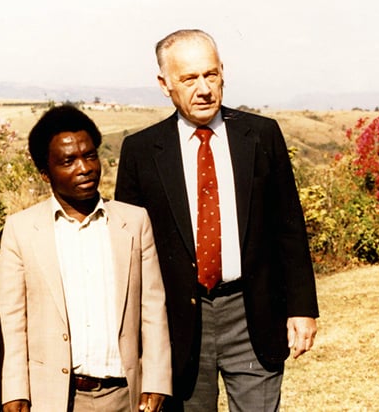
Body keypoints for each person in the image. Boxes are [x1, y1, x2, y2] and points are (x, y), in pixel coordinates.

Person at [115, 30, 319, 411]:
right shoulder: (141, 152)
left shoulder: (261, 135)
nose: (204, 89)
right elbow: (128, 252)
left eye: (211, 75)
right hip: (179, 324)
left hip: (252, 315)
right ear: (164, 84)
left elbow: (289, 228)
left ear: (223, 72)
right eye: (189, 79)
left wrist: (302, 308)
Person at [0, 105, 173, 412]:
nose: (84, 168)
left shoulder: (133, 222)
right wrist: (14, 391)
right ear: (45, 172)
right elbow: (12, 322)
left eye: (90, 156)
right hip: (54, 398)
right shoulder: (21, 230)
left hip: (124, 395)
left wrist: (156, 380)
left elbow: (153, 308)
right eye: (68, 161)